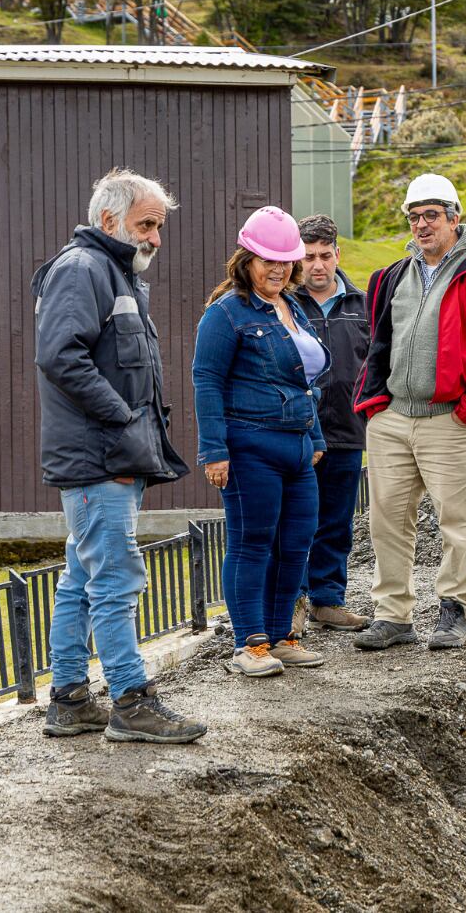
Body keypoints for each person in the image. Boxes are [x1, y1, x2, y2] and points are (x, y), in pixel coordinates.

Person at [33, 169, 205, 745]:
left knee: (82, 578)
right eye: (147, 225)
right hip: (99, 458)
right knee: (114, 580)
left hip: (109, 456)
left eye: (159, 226)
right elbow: (61, 356)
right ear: (110, 220)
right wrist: (122, 416)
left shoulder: (113, 271)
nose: (156, 237)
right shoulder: (84, 269)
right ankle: (131, 701)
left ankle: (70, 699)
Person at [352, 173, 466, 652]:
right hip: (394, 418)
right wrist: (377, 407)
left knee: (456, 519)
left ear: (454, 219)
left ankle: (453, 609)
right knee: (386, 520)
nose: (422, 225)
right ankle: (393, 615)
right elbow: (377, 343)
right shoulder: (391, 277)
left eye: (431, 216)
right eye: (414, 216)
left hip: (452, 418)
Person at [193, 207, 330, 678]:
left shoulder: (292, 307)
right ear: (246, 257)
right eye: (268, 260)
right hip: (249, 445)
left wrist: (314, 435)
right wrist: (214, 450)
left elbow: (305, 381)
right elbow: (206, 380)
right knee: (252, 543)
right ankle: (248, 642)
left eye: (286, 261)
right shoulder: (226, 313)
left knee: (296, 543)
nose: (278, 269)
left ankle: (281, 635)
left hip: (295, 447)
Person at [292, 215, 370, 633]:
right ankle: (295, 602)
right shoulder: (285, 304)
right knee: (298, 521)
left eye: (324, 255)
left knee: (337, 523)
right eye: (308, 257)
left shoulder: (362, 304)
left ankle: (328, 599)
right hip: (299, 432)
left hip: (346, 430)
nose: (317, 265)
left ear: (337, 254)